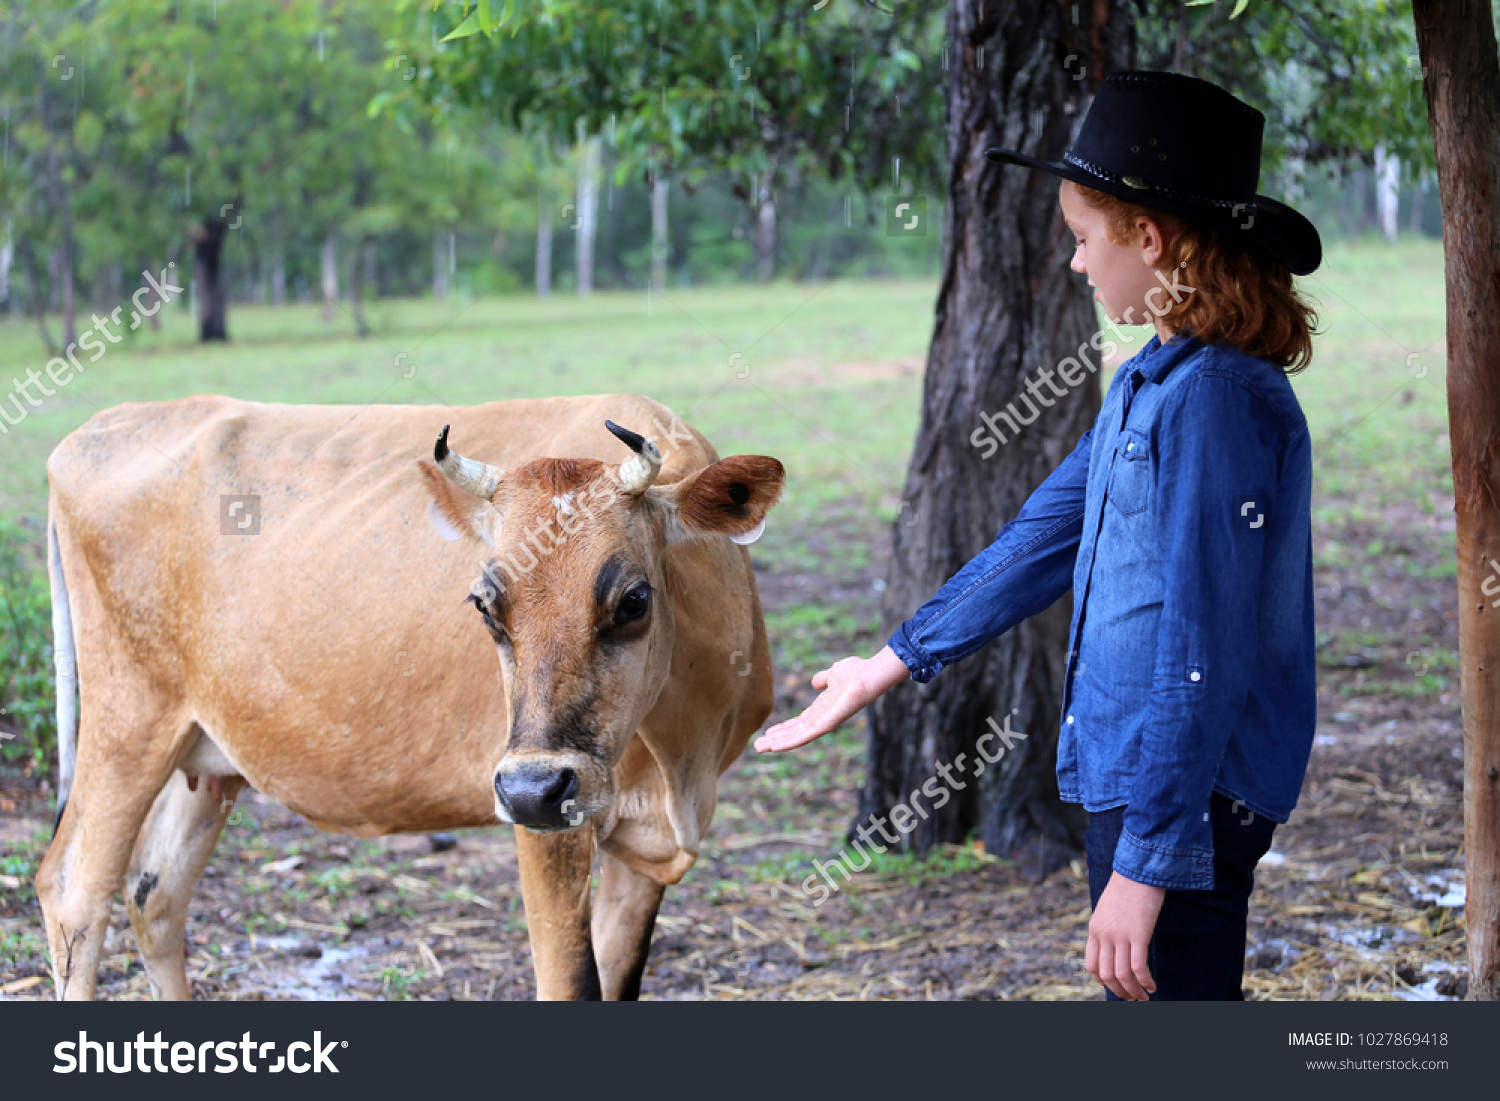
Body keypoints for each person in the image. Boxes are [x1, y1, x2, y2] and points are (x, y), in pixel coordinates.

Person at [754, 71, 1322, 1002]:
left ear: (1151, 236)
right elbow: (1040, 540)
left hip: (1182, 799)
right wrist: (890, 661)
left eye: (1085, 238)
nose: (1076, 264)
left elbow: (1202, 650)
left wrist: (1149, 862)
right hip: (1141, 781)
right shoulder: (1156, 380)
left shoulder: (1216, 401)